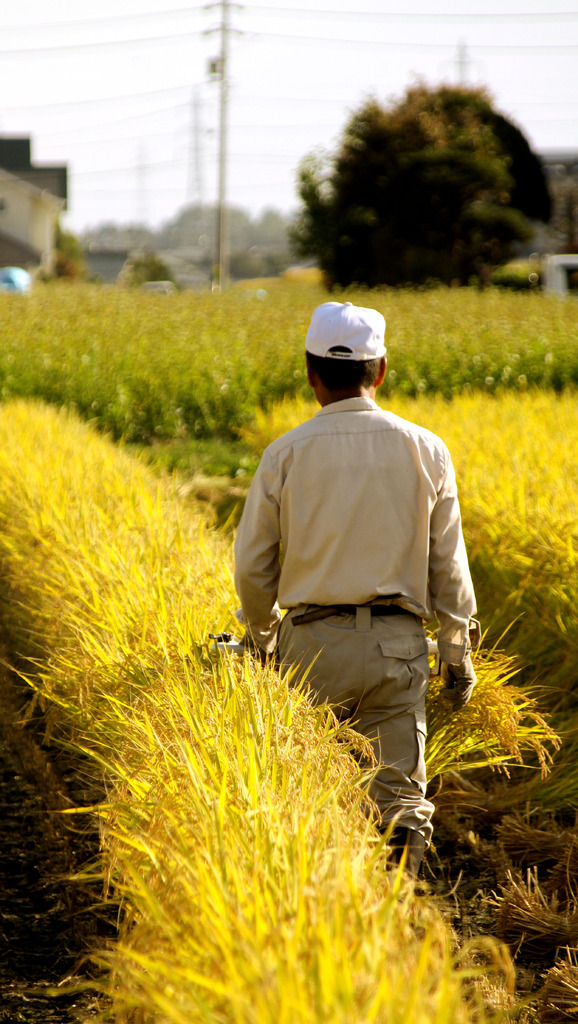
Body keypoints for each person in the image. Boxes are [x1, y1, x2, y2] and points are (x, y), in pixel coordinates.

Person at [233, 300, 478, 877]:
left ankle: (329, 915)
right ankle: (398, 920)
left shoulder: (286, 453)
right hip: (397, 649)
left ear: (311, 373)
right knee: (397, 803)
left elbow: (252, 568)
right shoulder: (427, 449)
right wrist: (457, 654)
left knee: (310, 792)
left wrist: (264, 639)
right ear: (382, 370)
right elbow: (450, 569)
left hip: (307, 651)